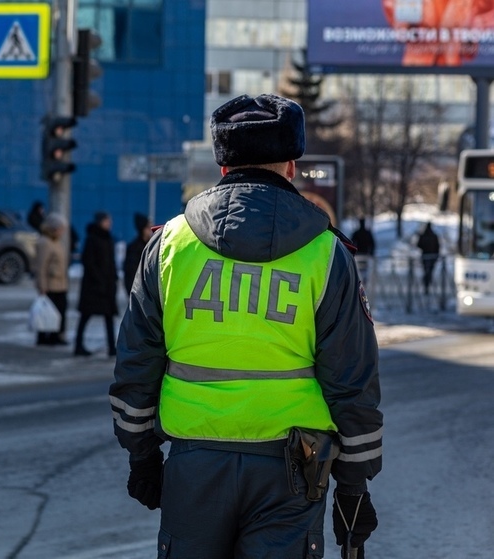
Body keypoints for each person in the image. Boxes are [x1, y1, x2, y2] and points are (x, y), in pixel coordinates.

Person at [110, 94, 382, 558]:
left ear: (223, 168)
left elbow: (136, 361)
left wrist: (142, 455)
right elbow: (352, 378)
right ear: (291, 166)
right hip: (293, 472)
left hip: (193, 465)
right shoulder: (325, 253)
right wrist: (354, 485)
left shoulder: (170, 244)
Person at [74, 211, 118, 357]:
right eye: (107, 221)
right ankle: (78, 345)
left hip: (107, 286)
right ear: (100, 222)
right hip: (94, 287)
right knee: (86, 315)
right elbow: (89, 262)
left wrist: (113, 278)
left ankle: (112, 347)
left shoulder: (108, 239)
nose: (109, 223)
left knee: (108, 316)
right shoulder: (92, 239)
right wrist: (99, 280)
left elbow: (111, 263)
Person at [34, 212, 69, 346]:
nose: (62, 232)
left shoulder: (57, 242)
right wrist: (42, 286)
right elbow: (41, 266)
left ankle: (56, 336)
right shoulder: (45, 243)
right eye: (61, 229)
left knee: (59, 311)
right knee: (47, 311)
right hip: (50, 284)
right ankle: (44, 337)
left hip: (60, 283)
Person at [123, 212, 153, 295]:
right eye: (148, 227)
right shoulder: (134, 248)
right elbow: (131, 273)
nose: (150, 229)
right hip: (139, 291)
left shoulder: (152, 245)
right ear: (143, 229)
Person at [417, 221, 440, 294]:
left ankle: (426, 284)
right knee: (429, 271)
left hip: (426, 256)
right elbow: (437, 247)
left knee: (427, 271)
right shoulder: (433, 235)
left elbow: (418, 245)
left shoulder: (425, 235)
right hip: (430, 256)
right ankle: (427, 284)